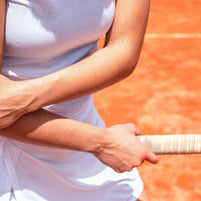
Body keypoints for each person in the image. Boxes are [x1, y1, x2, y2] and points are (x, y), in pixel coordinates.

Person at [0, 0, 158, 200]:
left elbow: (123, 51)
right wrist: (101, 142)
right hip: (14, 144)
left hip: (80, 134)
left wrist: (25, 97)